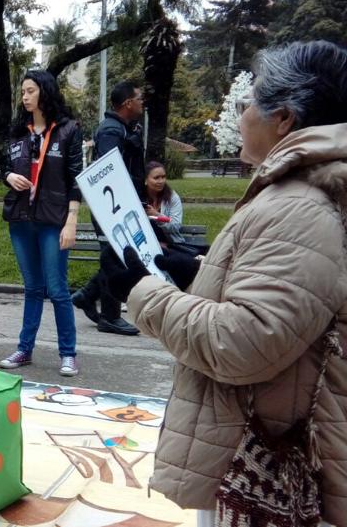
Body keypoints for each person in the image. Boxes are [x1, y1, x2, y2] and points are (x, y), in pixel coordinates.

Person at [109, 41, 347, 527]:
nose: (239, 115)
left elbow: (244, 342)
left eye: (247, 102)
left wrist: (143, 291)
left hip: (261, 463)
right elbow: (283, 301)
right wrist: (193, 272)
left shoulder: (298, 207)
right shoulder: (299, 193)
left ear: (283, 118)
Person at [0, 71, 82, 376]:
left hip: (53, 219)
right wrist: (7, 176)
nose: (25, 96)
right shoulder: (19, 130)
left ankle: (68, 353)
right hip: (21, 218)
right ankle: (24, 349)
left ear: (44, 92)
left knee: (57, 288)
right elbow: (3, 164)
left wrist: (71, 221)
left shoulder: (68, 130)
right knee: (32, 287)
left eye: (30, 91)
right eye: (23, 92)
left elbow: (75, 179)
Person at [70, 81, 144, 336]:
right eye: (139, 98)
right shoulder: (111, 131)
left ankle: (88, 296)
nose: (142, 103)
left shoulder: (122, 129)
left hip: (118, 204)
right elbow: (110, 172)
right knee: (117, 259)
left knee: (115, 257)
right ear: (127, 103)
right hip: (111, 206)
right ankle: (109, 316)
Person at [142, 161, 188, 249]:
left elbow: (176, 225)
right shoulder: (138, 197)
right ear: (146, 180)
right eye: (156, 178)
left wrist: (156, 215)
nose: (161, 181)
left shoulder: (172, 197)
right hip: (145, 245)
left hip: (171, 245)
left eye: (163, 177)